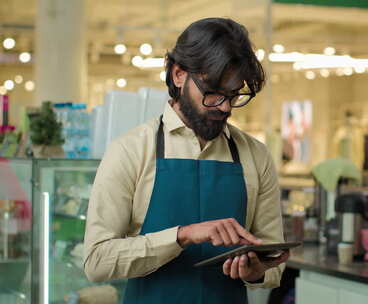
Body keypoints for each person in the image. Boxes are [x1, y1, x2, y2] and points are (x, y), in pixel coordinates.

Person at [83, 17, 289, 304]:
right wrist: (182, 236)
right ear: (179, 74)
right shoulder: (130, 151)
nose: (225, 106)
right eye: (214, 93)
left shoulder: (255, 155)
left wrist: (256, 270)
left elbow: (272, 262)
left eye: (233, 94)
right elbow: (96, 261)